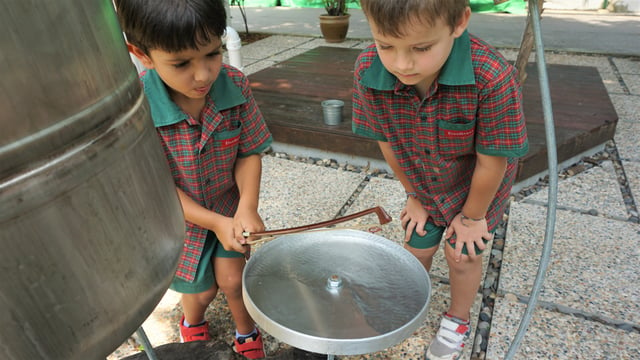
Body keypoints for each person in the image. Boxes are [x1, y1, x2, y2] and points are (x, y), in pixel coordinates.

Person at [352, 1, 528, 359]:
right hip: (422, 180)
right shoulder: (367, 69)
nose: (402, 64)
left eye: (421, 48)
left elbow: (492, 162)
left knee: (463, 254)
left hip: (478, 185)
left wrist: (472, 218)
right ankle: (408, 301)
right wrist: (412, 194)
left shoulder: (491, 75)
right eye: (386, 45)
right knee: (416, 245)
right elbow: (386, 140)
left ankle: (457, 319)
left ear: (459, 22)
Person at [114, 0, 272, 358]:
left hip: (228, 205)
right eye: (182, 63)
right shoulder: (139, 107)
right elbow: (158, 189)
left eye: (212, 54)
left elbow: (249, 152)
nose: (203, 75)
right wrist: (213, 222)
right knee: (198, 291)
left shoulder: (235, 85)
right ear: (142, 54)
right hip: (178, 219)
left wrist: (246, 206)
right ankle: (193, 323)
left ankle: (246, 332)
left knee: (234, 280)